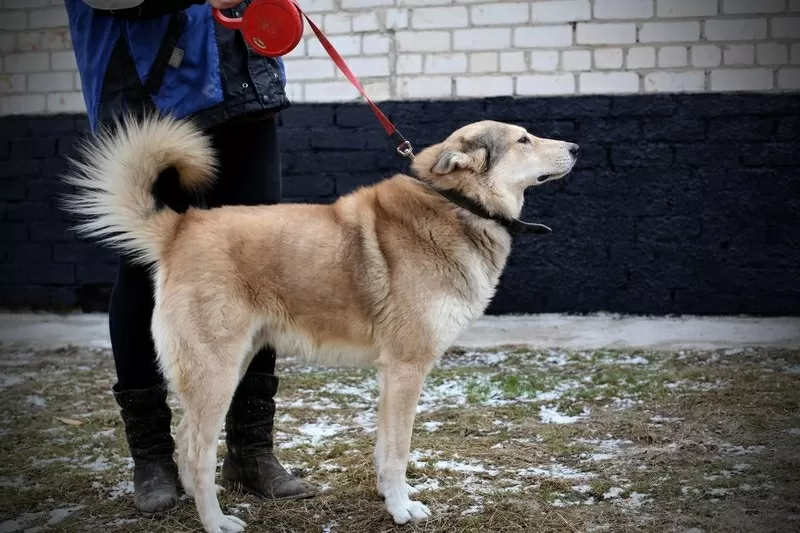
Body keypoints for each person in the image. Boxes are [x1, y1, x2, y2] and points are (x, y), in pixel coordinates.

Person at [63, 0, 317, 516]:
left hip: (240, 77)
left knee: (260, 264)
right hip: (143, 82)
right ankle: (153, 457)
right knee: (145, 268)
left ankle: (251, 450)